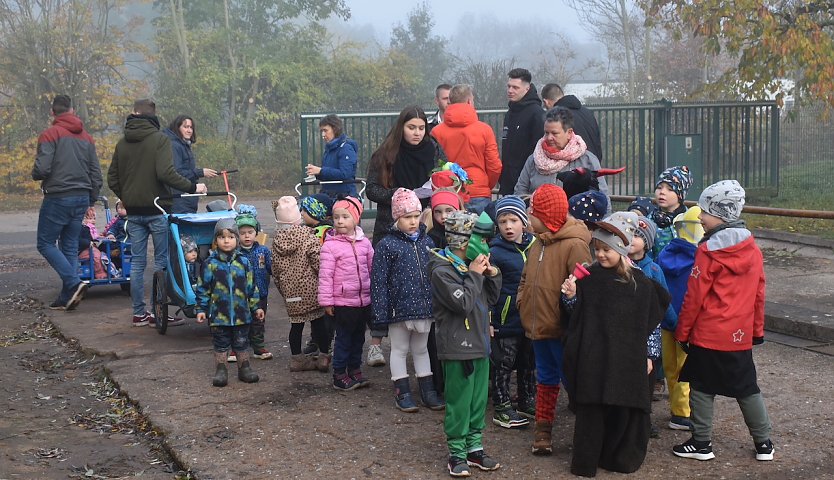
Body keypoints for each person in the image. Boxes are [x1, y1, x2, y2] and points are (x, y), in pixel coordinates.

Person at [561, 211, 671, 477]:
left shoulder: (642, 286)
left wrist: (650, 356)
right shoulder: (588, 279)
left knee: (623, 407)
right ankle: (589, 456)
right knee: (593, 408)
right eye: (596, 249)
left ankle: (618, 456)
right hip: (595, 355)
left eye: (606, 250)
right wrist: (571, 296)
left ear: (621, 250)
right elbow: (578, 316)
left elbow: (652, 323)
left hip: (627, 358)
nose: (600, 255)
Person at [673, 180, 774, 463]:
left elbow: (694, 296)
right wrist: (756, 331)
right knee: (747, 388)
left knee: (702, 387)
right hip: (738, 335)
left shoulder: (707, 251)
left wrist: (683, 332)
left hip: (708, 333)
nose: (701, 217)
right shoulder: (753, 248)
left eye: (705, 211)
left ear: (719, 214)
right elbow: (758, 293)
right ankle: (764, 442)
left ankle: (701, 442)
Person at [108, 99, 207, 327]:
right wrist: (192, 187)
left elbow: (112, 178)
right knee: (162, 262)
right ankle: (159, 313)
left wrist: (128, 195)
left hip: (133, 212)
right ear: (153, 116)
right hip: (159, 208)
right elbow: (166, 173)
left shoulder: (122, 143)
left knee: (137, 263)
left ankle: (139, 314)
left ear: (134, 115)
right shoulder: (160, 140)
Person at [366, 106, 446, 367]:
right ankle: (376, 343)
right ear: (401, 127)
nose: (417, 133)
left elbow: (443, 179)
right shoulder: (385, 154)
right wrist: (401, 196)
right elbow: (372, 190)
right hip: (390, 226)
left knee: (419, 281)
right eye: (412, 127)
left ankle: (421, 347)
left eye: (421, 128)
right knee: (384, 283)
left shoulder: (433, 149)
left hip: (425, 225)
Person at [516, 184, 592, 455]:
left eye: (532, 211)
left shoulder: (574, 245)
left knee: (573, 380)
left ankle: (587, 432)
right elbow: (525, 277)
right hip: (538, 327)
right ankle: (543, 429)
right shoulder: (538, 241)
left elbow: (582, 288)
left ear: (545, 215)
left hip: (561, 329)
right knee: (545, 378)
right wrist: (522, 300)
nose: (528, 215)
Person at [428, 211, 502, 477]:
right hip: (458, 348)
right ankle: (456, 453)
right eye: (479, 238)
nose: (486, 245)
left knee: (478, 401)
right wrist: (473, 275)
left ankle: (475, 449)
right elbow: (462, 303)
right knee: (459, 402)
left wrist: (491, 274)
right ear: (463, 241)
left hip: (480, 345)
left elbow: (490, 298)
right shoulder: (442, 271)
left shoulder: (474, 267)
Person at [371, 188, 444, 412]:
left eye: (415, 216)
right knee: (400, 349)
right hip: (398, 308)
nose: (413, 222)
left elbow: (435, 273)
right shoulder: (386, 245)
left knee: (421, 349)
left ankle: (427, 389)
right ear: (397, 218)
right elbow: (379, 280)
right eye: (407, 217)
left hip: (424, 306)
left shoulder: (427, 242)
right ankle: (401, 390)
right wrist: (380, 311)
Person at [33, 94, 102, 311]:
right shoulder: (88, 138)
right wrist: (91, 198)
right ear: (72, 110)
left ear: (53, 112)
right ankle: (67, 296)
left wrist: (36, 174)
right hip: (81, 196)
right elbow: (95, 173)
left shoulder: (49, 134)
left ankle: (73, 283)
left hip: (59, 196)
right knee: (69, 246)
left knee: (45, 243)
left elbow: (42, 169)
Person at [196, 218, 264, 387]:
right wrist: (201, 309)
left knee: (242, 343)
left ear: (237, 239)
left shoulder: (244, 262)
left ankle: (244, 368)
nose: (226, 241)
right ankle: (221, 370)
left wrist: (256, 307)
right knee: (220, 343)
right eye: (222, 237)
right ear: (215, 241)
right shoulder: (210, 264)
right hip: (219, 315)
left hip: (242, 314)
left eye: (231, 237)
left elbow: (251, 287)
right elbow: (203, 288)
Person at [489, 196, 537, 429]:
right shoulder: (495, 252)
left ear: (524, 221)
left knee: (529, 360)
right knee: (504, 363)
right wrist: (490, 317)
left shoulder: (536, 245)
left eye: (513, 220)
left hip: (530, 316)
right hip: (506, 317)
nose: (508, 226)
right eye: (503, 221)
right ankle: (502, 405)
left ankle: (527, 398)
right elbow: (489, 288)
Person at [656, 206, 705, 432]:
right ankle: (684, 413)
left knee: (671, 367)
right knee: (687, 367)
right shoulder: (701, 258)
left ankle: (677, 411)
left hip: (667, 319)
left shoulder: (666, 253)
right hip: (689, 323)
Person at [318, 196, 374, 390]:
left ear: (356, 219)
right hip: (342, 302)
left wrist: (373, 294)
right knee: (343, 338)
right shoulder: (330, 246)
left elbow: (371, 269)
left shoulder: (365, 243)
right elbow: (325, 276)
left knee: (359, 338)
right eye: (336, 217)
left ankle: (355, 369)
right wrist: (326, 301)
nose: (340, 221)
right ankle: (339, 373)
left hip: (363, 300)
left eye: (345, 216)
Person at [628, 215, 677, 438]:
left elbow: (663, 301)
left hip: (649, 336)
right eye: (629, 233)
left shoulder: (654, 270)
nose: (632, 239)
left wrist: (675, 325)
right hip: (626, 334)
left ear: (647, 242)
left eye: (638, 235)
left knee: (646, 383)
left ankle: (643, 419)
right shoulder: (616, 265)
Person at [271, 196, 333, 373]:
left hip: (290, 292)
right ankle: (323, 356)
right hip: (311, 289)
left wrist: (283, 289)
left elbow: (275, 270)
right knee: (318, 323)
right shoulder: (309, 237)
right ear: (298, 218)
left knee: (296, 326)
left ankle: (297, 359)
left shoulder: (277, 241)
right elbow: (318, 263)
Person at [430, 84, 502, 214]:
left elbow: (433, 165)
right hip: (478, 191)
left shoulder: (436, 132)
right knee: (482, 232)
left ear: (450, 102)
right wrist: (485, 185)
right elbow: (494, 166)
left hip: (449, 192)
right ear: (469, 101)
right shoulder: (484, 130)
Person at [514, 108, 608, 197]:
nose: (549, 138)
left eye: (554, 133)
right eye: (546, 132)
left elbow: (602, 198)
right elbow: (520, 193)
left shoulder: (588, 160)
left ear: (569, 133)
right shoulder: (533, 160)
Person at [230, 205, 273, 361]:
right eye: (242, 233)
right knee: (240, 322)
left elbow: (272, 268)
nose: (247, 236)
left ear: (256, 232)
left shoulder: (263, 251)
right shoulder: (234, 254)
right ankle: (237, 348)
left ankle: (258, 346)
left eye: (250, 232)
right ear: (236, 235)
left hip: (261, 292)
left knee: (258, 321)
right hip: (239, 295)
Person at [498, 68, 545, 195]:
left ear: (527, 88)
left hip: (526, 185)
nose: (510, 91)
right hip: (508, 182)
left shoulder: (537, 114)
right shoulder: (510, 113)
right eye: (508, 86)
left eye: (515, 87)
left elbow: (540, 150)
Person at [163, 115, 218, 214]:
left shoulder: (184, 145)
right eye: (185, 127)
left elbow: (185, 170)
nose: (189, 130)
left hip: (187, 198)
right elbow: (176, 172)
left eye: (191, 127)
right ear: (177, 128)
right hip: (178, 200)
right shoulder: (174, 145)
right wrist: (200, 172)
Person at [540, 83, 603, 162]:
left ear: (545, 102)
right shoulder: (587, 112)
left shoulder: (560, 118)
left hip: (575, 166)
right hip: (593, 163)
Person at [305, 114, 358, 198]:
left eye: (325, 130)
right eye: (321, 131)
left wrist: (321, 171)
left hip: (344, 196)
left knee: (308, 205)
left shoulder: (346, 148)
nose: (323, 135)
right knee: (304, 204)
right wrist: (316, 173)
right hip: (328, 194)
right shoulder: (329, 149)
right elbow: (329, 175)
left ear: (335, 129)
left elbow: (345, 174)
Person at [650, 165, 692, 259]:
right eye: (659, 187)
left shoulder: (689, 220)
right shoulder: (649, 220)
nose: (662, 192)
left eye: (670, 189)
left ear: (680, 195)